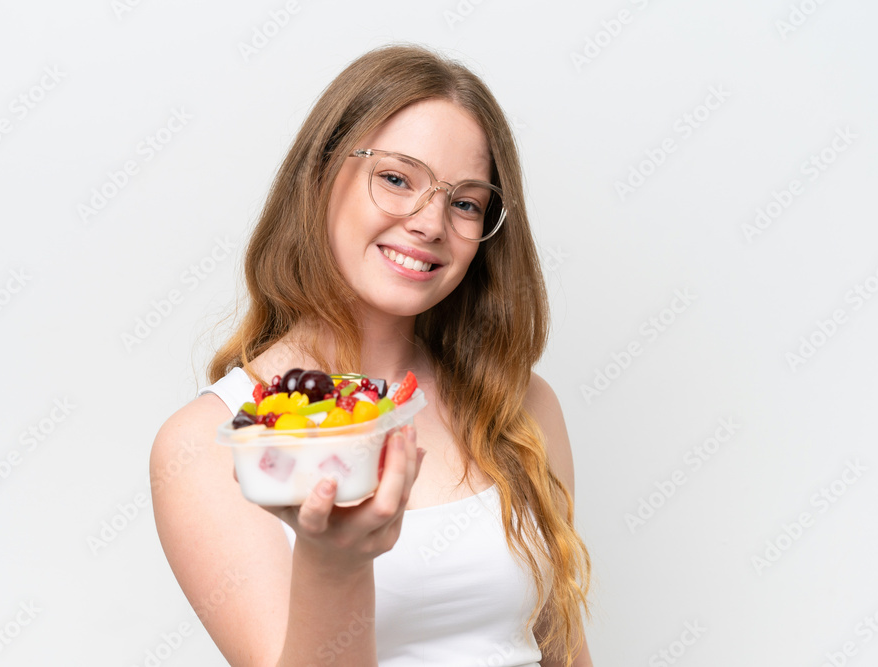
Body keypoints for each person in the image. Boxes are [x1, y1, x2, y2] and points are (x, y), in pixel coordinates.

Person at [151, 43, 593, 666]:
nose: (429, 222)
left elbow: (565, 652)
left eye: (465, 202)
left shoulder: (519, 406)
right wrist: (335, 563)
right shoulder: (210, 441)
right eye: (395, 178)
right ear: (320, 176)